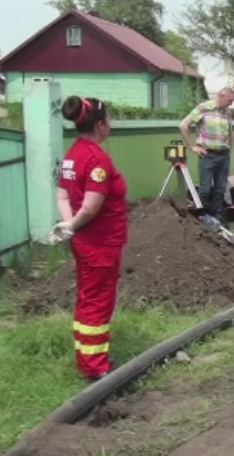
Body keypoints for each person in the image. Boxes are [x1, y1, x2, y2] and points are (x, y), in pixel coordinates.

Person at [49, 96, 127, 382]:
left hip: (83, 241)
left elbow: (62, 196)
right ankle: (96, 368)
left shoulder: (72, 155)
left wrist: (69, 225)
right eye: (109, 120)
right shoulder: (96, 160)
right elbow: (91, 207)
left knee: (87, 298)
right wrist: (73, 224)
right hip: (100, 243)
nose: (111, 124)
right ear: (100, 124)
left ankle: (87, 357)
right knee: (98, 302)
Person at [179, 88, 234, 224]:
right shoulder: (204, 108)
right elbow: (183, 125)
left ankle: (216, 218)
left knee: (220, 189)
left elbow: (230, 133)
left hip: (223, 155)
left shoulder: (227, 112)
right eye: (229, 101)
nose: (231, 104)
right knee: (205, 189)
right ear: (221, 96)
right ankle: (200, 217)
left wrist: (229, 149)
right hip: (208, 155)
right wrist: (192, 146)